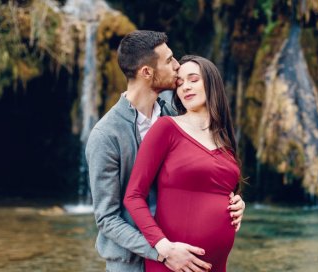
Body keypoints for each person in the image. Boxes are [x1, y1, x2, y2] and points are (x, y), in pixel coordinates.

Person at [85, 31, 245, 272]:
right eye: (169, 60)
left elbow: (200, 177)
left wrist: (233, 202)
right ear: (147, 72)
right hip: (132, 262)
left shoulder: (176, 118)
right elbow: (107, 218)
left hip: (187, 256)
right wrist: (161, 250)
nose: (177, 65)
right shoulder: (106, 135)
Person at [124, 55, 241, 272]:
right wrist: (163, 248)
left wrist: (238, 204)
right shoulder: (166, 128)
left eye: (193, 79)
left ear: (211, 82)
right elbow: (133, 195)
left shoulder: (224, 138)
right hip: (174, 263)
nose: (185, 87)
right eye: (180, 83)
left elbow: (217, 188)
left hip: (216, 265)